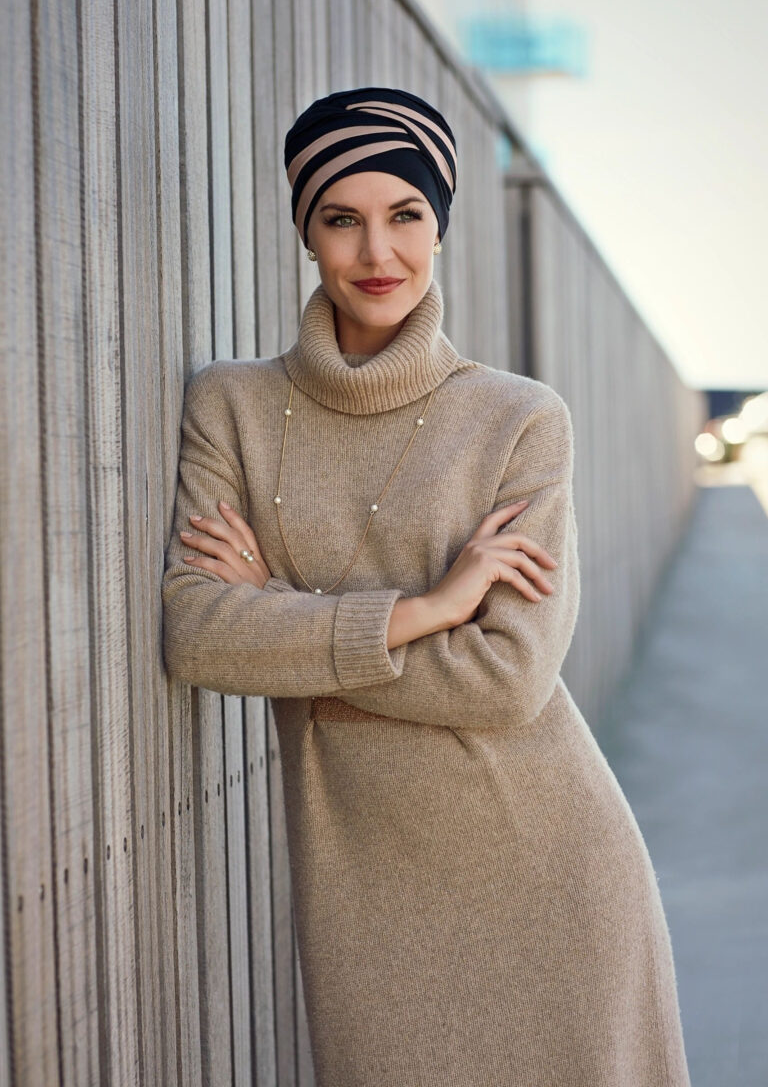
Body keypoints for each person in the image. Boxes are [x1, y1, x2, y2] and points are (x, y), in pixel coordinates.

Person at [161, 86, 691, 1086]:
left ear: (439, 228)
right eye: (342, 220)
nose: (377, 255)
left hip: (550, 861)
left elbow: (506, 681)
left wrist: (280, 615)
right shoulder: (231, 405)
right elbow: (196, 633)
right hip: (363, 891)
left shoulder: (520, 419)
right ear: (305, 232)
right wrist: (433, 610)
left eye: (406, 217)